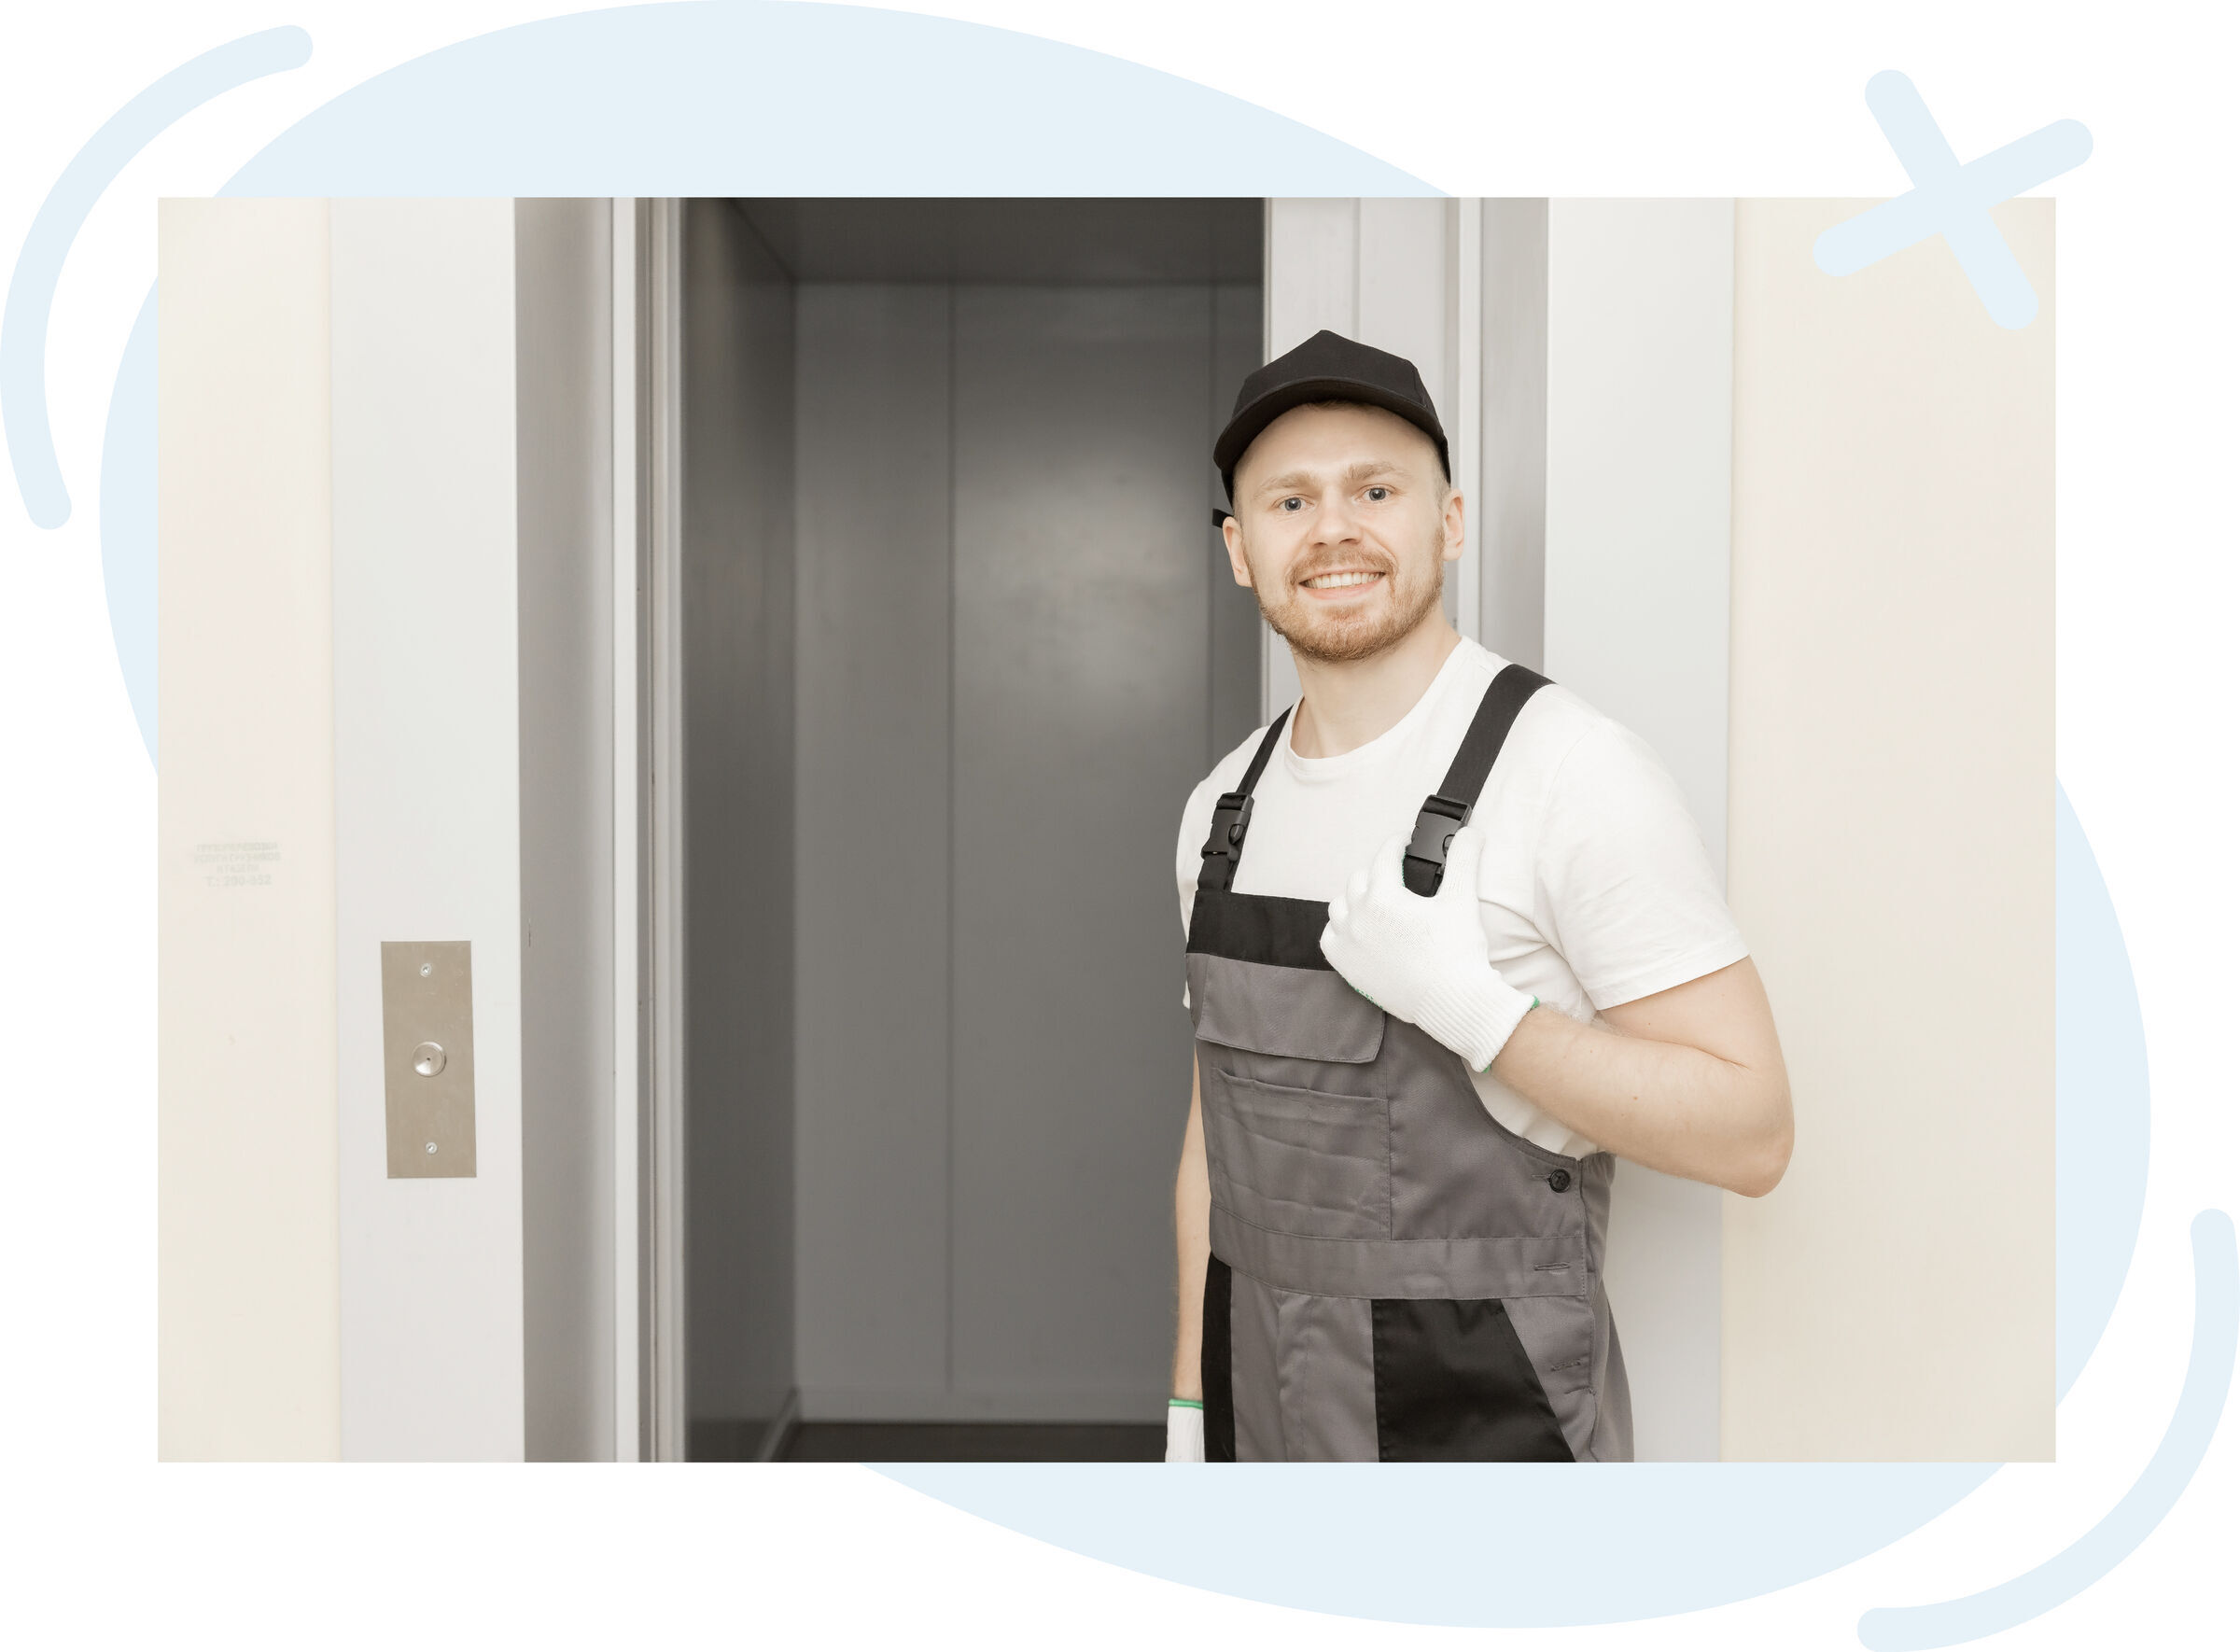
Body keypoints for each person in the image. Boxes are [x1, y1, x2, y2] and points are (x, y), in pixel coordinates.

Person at [1165, 330, 1792, 1463]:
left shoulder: (1570, 773)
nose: (1334, 529)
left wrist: (1485, 1018)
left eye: (1375, 489)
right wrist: (1185, 1411)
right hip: (1259, 1416)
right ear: (1239, 550)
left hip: (1490, 1439)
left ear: (1447, 521)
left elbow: (1751, 1134)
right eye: (1289, 500)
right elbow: (1217, 1136)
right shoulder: (1221, 813)